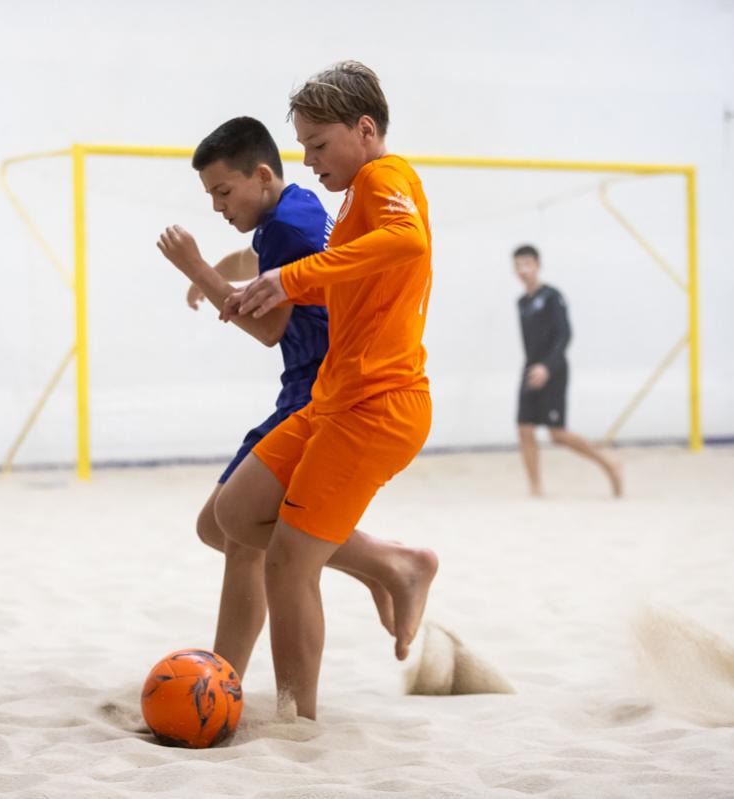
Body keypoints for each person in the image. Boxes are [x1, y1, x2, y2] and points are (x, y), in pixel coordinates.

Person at [216, 61, 438, 720]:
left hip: (379, 404)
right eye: (303, 147)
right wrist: (269, 279)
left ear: (364, 130)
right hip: (334, 397)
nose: (308, 161)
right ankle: (394, 564)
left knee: (287, 560)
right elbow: (338, 270)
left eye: (317, 145)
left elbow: (407, 239)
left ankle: (296, 721)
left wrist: (287, 278)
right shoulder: (351, 198)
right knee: (236, 513)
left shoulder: (385, 176)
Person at [156, 116, 397, 681]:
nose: (217, 206)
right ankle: (225, 679)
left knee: (238, 531)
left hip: (317, 391)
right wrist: (226, 267)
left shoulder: (286, 227)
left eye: (223, 191)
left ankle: (385, 563)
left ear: (261, 175)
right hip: (305, 386)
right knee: (221, 529)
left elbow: (268, 329)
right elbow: (271, 258)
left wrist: (197, 268)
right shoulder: (298, 207)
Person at [512, 244, 623, 498]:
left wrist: (547, 367)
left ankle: (608, 462)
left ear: (537, 265)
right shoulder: (521, 302)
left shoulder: (552, 297)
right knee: (524, 429)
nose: (523, 270)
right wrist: (533, 366)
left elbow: (565, 335)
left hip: (553, 369)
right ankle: (536, 489)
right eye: (518, 265)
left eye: (527, 264)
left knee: (557, 434)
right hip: (530, 368)